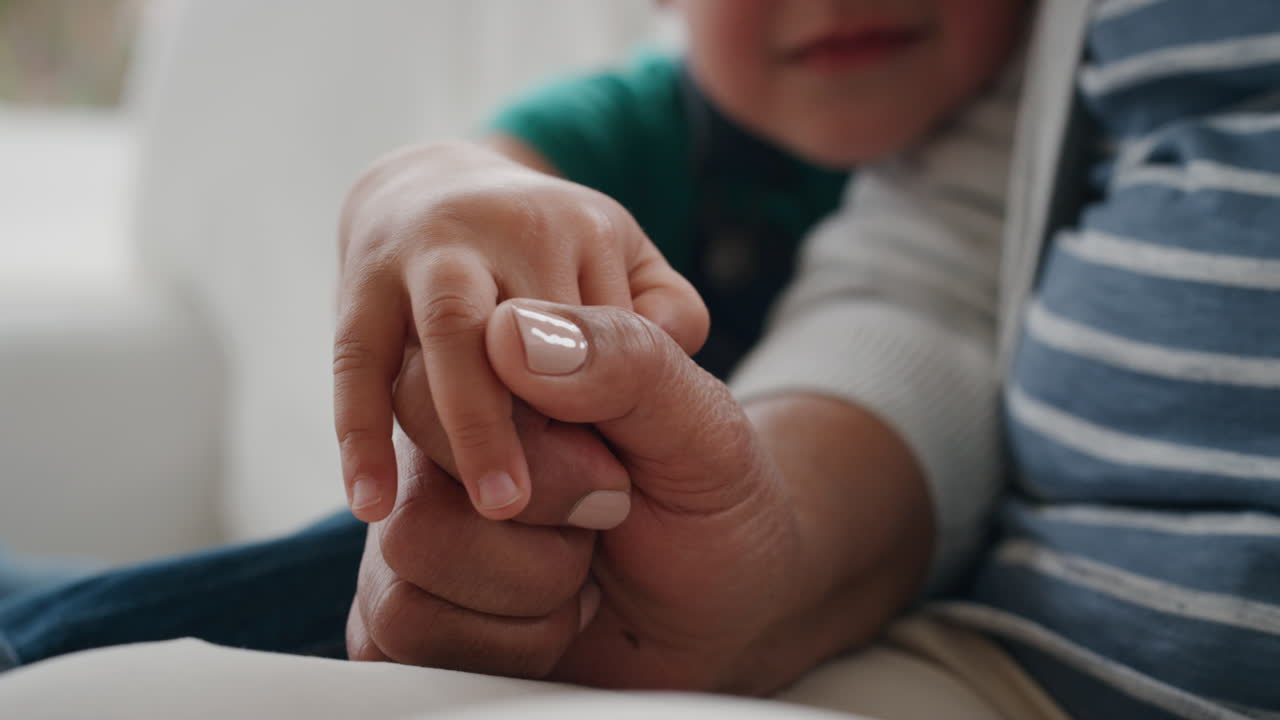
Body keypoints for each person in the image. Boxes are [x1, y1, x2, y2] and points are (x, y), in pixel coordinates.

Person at [0, 0, 1025, 691]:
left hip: (880, 580)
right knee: (451, 544)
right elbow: (465, 176)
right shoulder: (650, 122)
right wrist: (428, 203)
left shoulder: (1056, 151)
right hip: (561, 547)